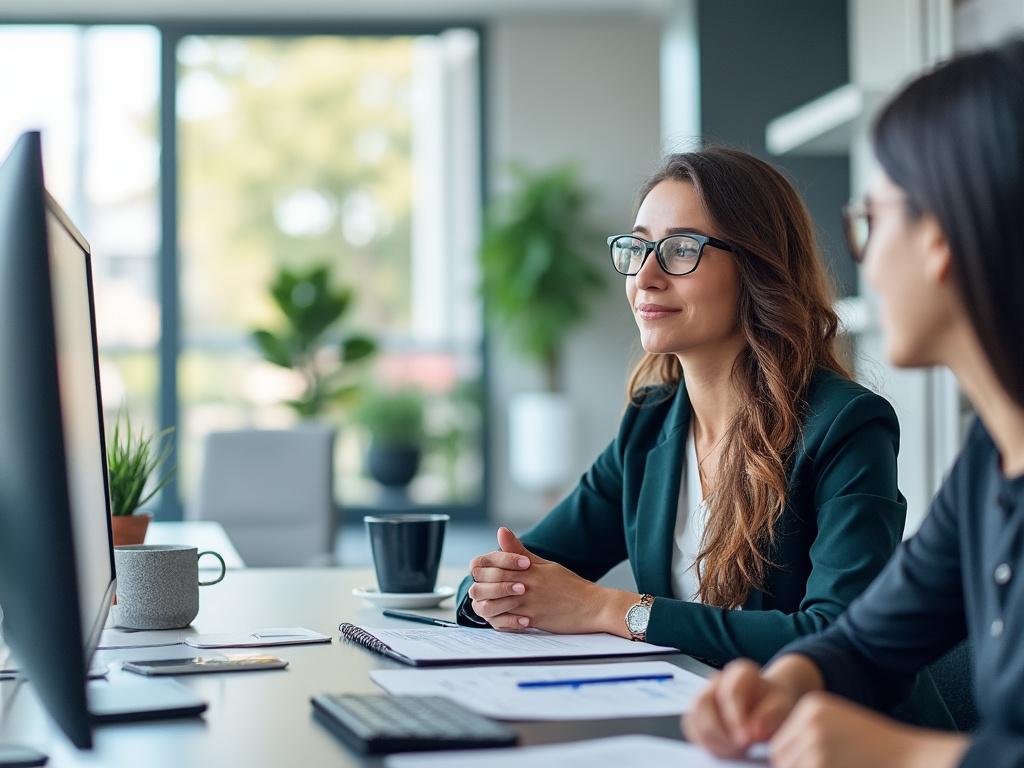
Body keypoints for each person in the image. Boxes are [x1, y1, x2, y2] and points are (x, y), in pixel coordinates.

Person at [456, 146, 947, 723]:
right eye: (637, 247)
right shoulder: (651, 423)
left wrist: (612, 610)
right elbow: (525, 561)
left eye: (682, 249)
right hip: (700, 728)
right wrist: (490, 588)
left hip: (841, 743)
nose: (646, 276)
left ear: (758, 268)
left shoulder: (844, 425)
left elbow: (833, 634)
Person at [684, 37, 1024, 767]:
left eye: (871, 221)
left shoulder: (854, 423)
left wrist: (905, 756)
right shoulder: (990, 461)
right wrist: (786, 683)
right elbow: (871, 636)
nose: (861, 258)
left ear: (938, 238)